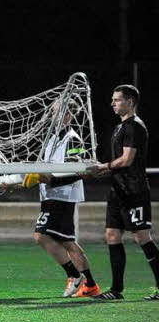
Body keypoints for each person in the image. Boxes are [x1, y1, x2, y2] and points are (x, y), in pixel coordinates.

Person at [80, 85, 157, 300]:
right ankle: (116, 290)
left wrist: (102, 168)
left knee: (142, 237)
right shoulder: (119, 128)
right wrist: (100, 173)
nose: (113, 104)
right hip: (117, 191)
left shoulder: (135, 126)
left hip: (134, 191)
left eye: (117, 100)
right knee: (112, 235)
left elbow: (126, 160)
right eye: (113, 100)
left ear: (130, 102)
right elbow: (118, 164)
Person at [25, 101, 100, 297]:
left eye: (56, 112)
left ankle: (75, 276)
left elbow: (80, 172)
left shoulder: (72, 139)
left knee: (41, 236)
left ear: (67, 116)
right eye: (51, 112)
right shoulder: (50, 139)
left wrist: (51, 181)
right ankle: (90, 284)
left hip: (63, 197)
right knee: (66, 241)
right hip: (50, 196)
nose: (51, 115)